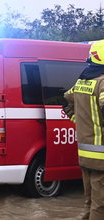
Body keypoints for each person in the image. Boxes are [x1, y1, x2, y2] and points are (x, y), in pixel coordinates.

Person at [63, 40, 104, 220]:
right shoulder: (102, 82)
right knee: (101, 205)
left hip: (85, 153)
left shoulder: (82, 81)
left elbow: (65, 102)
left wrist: (78, 122)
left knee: (89, 201)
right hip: (101, 156)